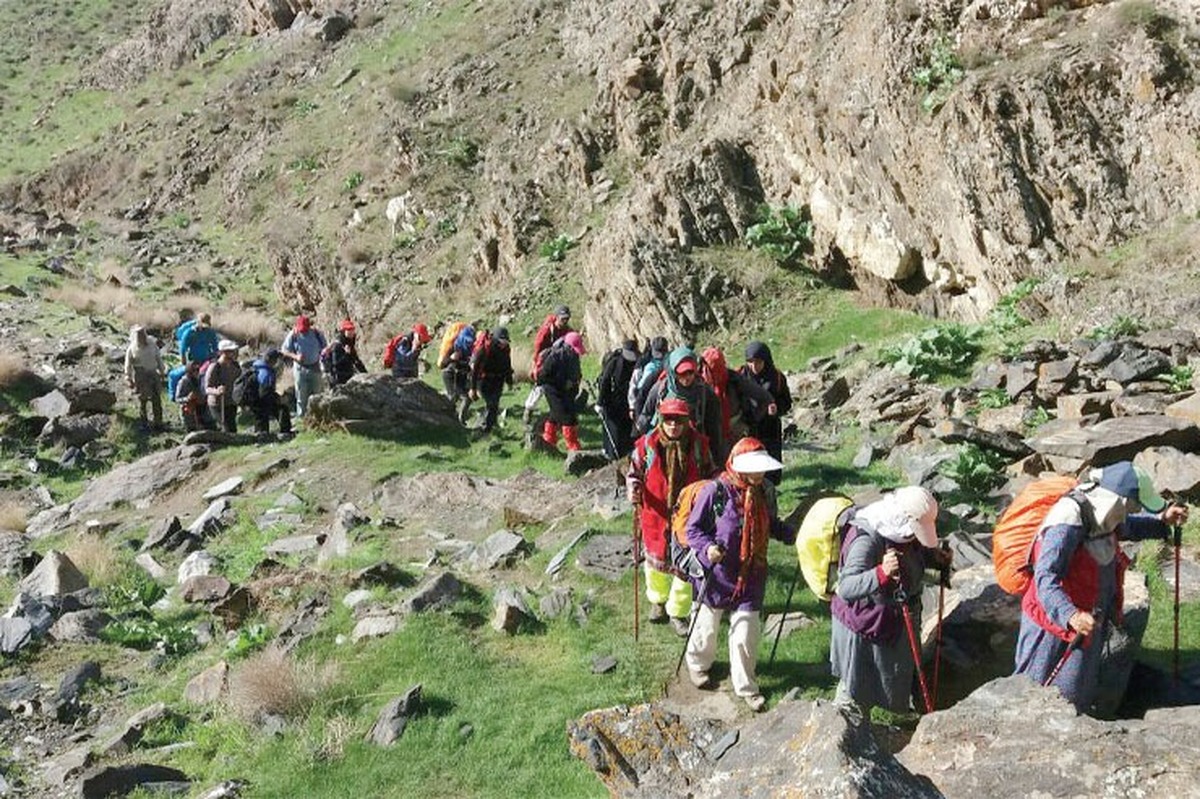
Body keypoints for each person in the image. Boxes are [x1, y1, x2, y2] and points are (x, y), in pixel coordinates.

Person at [1014, 462, 1187, 713]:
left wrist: (1162, 520)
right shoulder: (1068, 521)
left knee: (1074, 696)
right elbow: (1045, 576)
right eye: (1135, 504)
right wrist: (1070, 615)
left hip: (1086, 622)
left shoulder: (1105, 514)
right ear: (1119, 500)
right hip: (1051, 627)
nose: (1136, 510)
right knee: (1034, 693)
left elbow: (1129, 527)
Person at [683, 437, 795, 712]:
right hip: (716, 573)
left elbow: (770, 524)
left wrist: (792, 535)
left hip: (752, 572)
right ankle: (698, 665)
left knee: (746, 632)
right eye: (754, 469)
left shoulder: (765, 491)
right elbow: (692, 530)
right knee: (706, 629)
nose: (759, 475)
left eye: (761, 469)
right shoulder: (715, 491)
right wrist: (708, 547)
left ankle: (746, 687)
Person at [830, 486, 948, 716]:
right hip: (865, 628)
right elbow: (846, 588)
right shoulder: (866, 539)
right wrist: (881, 573)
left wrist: (935, 559)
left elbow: (914, 553)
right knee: (855, 687)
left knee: (891, 673)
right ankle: (845, 731)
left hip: (892, 623)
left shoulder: (901, 531)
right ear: (903, 518)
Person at [627, 398, 716, 635]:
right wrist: (634, 488)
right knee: (655, 562)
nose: (673, 425)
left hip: (689, 516)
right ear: (661, 419)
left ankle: (678, 612)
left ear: (687, 421)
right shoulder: (646, 444)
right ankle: (658, 601)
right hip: (654, 513)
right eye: (668, 419)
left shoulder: (699, 445)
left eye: (679, 420)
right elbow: (634, 472)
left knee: (686, 566)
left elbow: (711, 473)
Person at [636, 347, 723, 459]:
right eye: (681, 373)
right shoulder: (661, 389)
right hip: (663, 449)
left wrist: (715, 457)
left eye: (690, 372)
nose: (687, 378)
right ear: (673, 371)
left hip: (693, 451)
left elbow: (714, 429)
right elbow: (646, 415)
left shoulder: (704, 393)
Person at [699, 346, 774, 464]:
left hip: (733, 429)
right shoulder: (700, 381)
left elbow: (761, 395)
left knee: (736, 462)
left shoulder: (734, 378)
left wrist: (751, 420)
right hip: (709, 429)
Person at [739, 341, 791, 485]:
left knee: (771, 463)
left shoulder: (777, 377)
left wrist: (776, 408)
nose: (754, 366)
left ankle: (771, 491)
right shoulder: (740, 376)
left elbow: (786, 402)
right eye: (751, 362)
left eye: (758, 362)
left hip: (770, 428)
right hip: (748, 427)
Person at [523, 305, 573, 427]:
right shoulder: (547, 330)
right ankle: (528, 410)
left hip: (558, 364)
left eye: (567, 319)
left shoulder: (567, 330)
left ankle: (556, 414)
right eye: (562, 319)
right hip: (545, 362)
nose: (564, 322)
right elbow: (538, 347)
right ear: (556, 317)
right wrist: (535, 365)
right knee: (539, 387)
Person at [536, 331, 586, 452]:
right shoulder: (555, 357)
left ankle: (548, 440)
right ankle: (572, 445)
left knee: (555, 414)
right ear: (568, 346)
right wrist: (563, 383)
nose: (576, 351)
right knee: (567, 417)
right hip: (552, 389)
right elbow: (542, 377)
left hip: (566, 390)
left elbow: (576, 373)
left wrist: (574, 384)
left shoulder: (573, 355)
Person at [597, 338, 640, 458]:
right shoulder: (614, 362)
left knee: (627, 431)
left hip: (628, 403)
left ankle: (626, 455)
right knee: (614, 431)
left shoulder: (638, 362)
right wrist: (600, 403)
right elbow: (605, 382)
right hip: (612, 403)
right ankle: (611, 455)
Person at [469, 326, 515, 435]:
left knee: (494, 405)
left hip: (498, 381)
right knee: (491, 404)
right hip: (484, 381)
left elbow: (507, 365)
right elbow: (475, 370)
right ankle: (485, 429)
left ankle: (490, 427)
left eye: (505, 341)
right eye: (501, 341)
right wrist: (473, 388)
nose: (504, 343)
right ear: (495, 339)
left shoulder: (506, 349)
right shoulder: (485, 349)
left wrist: (509, 381)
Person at [281, 314, 326, 419]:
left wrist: (323, 353)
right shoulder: (293, 335)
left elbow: (324, 347)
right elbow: (284, 350)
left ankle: (319, 417)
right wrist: (295, 356)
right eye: (301, 329)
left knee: (318, 394)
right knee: (301, 395)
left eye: (305, 329)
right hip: (300, 369)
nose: (303, 331)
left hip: (315, 367)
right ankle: (302, 418)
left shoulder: (317, 333)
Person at [123, 325, 164, 430]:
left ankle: (158, 422)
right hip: (141, 375)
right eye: (138, 335)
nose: (141, 337)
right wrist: (128, 377)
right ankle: (144, 423)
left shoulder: (152, 344)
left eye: (142, 334)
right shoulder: (132, 348)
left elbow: (158, 357)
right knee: (143, 399)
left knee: (156, 399)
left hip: (153, 373)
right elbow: (128, 364)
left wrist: (162, 370)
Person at [438, 322, 476, 424]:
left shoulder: (472, 350)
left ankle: (456, 420)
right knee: (457, 398)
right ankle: (455, 420)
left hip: (460, 376)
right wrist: (451, 358)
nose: (468, 344)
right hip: (450, 375)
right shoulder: (453, 348)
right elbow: (442, 364)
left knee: (463, 398)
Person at [249, 348, 293, 435]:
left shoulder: (258, 367)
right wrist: (276, 398)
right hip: (261, 400)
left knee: (262, 418)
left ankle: (262, 435)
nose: (277, 362)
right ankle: (284, 432)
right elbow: (264, 392)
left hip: (256, 399)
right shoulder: (265, 372)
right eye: (276, 359)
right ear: (271, 359)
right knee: (281, 409)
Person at [628, 336, 669, 423]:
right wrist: (632, 406)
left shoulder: (667, 363)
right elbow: (634, 385)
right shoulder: (644, 362)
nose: (660, 356)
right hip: (642, 400)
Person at [204, 339, 241, 433]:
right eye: (228, 351)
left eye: (232, 351)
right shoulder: (215, 367)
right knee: (226, 428)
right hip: (217, 403)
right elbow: (207, 388)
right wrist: (217, 391)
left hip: (231, 402)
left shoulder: (235, 366)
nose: (231, 354)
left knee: (232, 428)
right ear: (221, 352)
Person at [324, 319, 367, 387]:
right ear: (344, 331)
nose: (351, 332)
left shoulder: (349, 343)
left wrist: (365, 373)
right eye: (348, 330)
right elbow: (336, 363)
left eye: (352, 329)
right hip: (338, 379)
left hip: (348, 375)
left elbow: (355, 359)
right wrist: (346, 354)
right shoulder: (337, 345)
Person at [174, 359, 213, 432]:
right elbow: (177, 399)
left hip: (202, 405)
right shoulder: (183, 382)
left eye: (197, 369)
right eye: (193, 370)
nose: (196, 372)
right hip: (189, 408)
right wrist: (188, 398)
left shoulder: (201, 379)